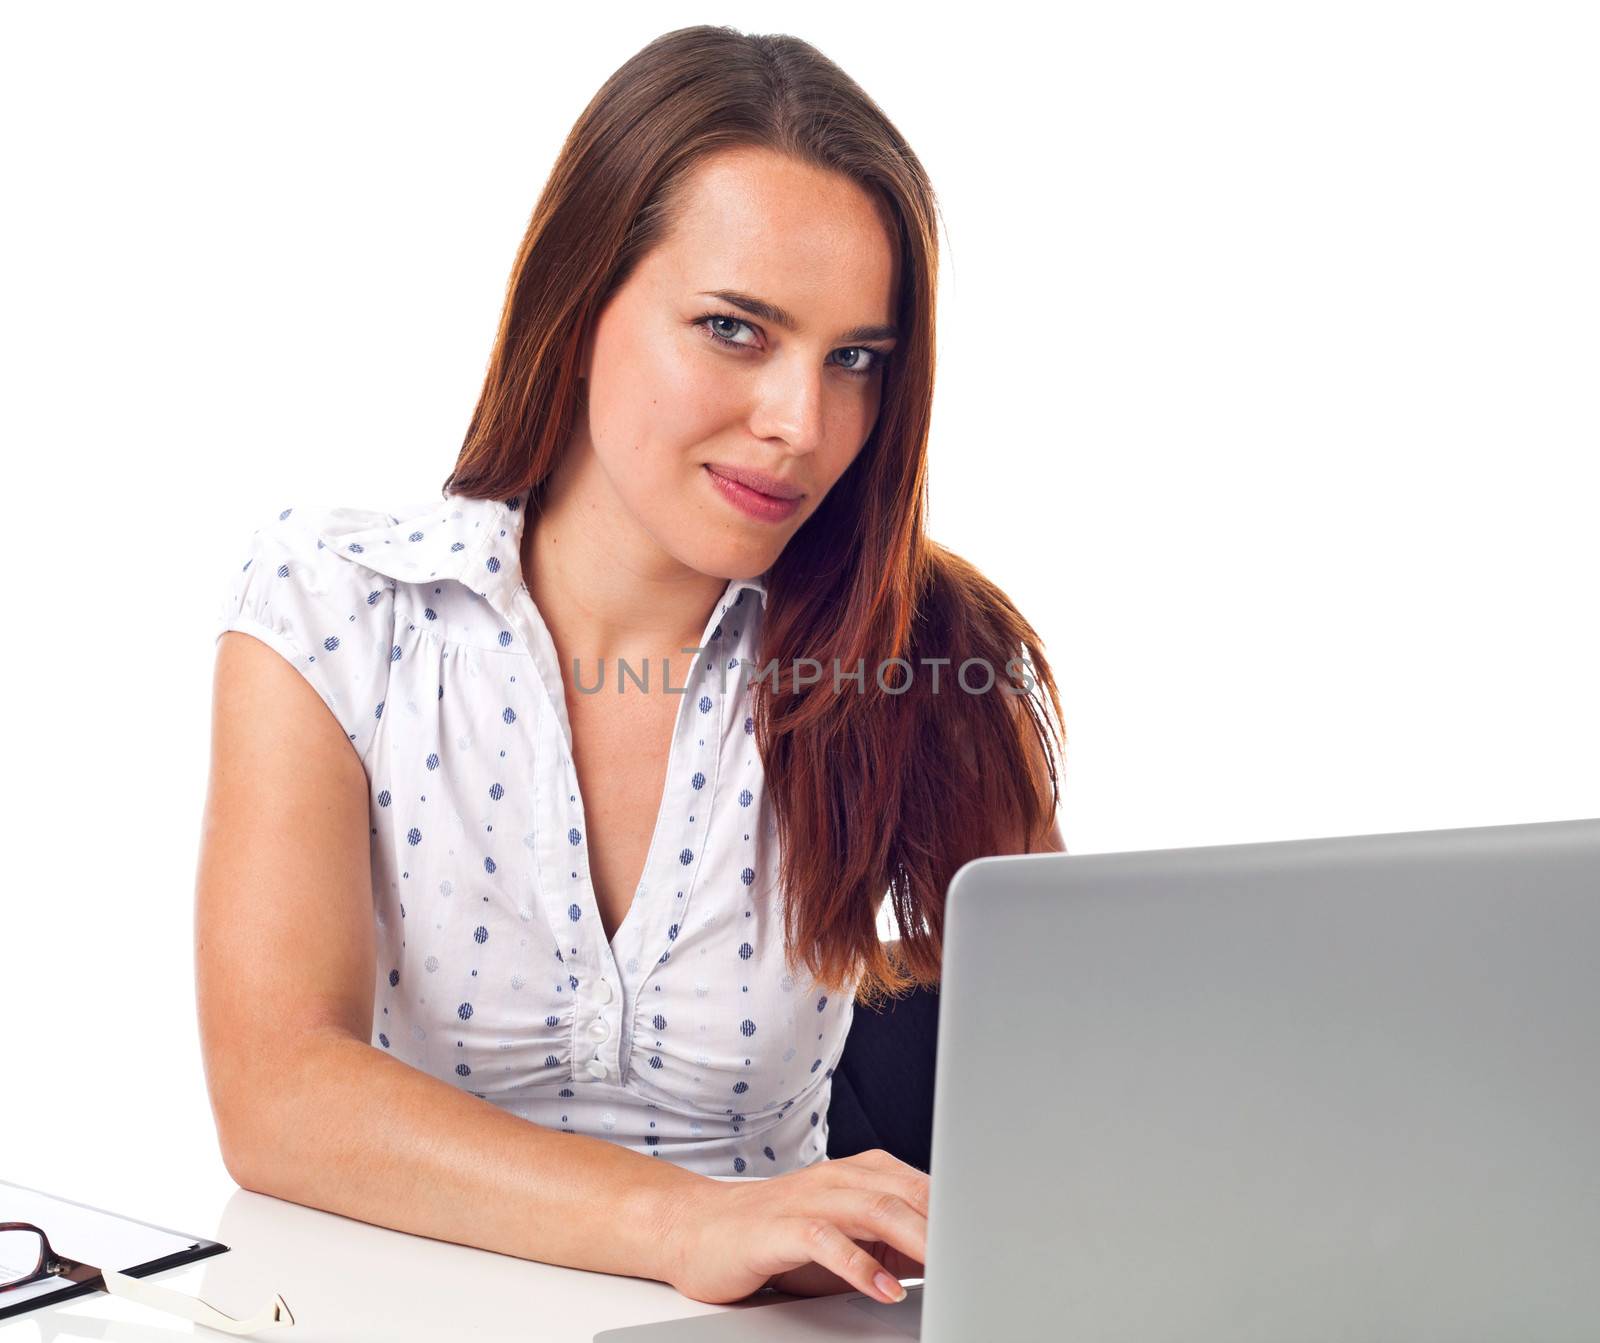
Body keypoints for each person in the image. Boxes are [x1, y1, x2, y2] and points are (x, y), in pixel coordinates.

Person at [195, 23, 1066, 1311]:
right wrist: (684, 1223)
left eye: (856, 361)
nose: (799, 423)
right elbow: (278, 1091)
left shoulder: (925, 657)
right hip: (390, 1316)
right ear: (580, 307)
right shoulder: (338, 609)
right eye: (733, 329)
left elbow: (1080, 1085)